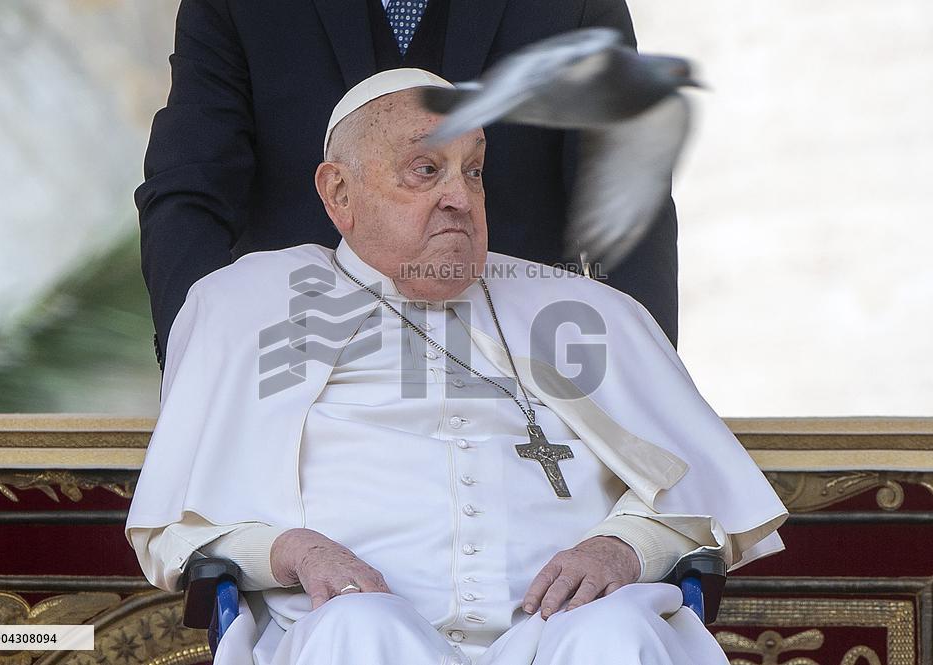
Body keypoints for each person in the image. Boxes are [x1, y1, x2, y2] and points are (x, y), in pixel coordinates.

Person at [126, 70, 786, 665]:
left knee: (611, 633)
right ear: (339, 193)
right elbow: (181, 532)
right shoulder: (248, 308)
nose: (460, 199)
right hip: (353, 630)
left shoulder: (589, 313)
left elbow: (699, 502)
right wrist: (298, 550)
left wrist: (621, 548)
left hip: (559, 634)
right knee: (354, 629)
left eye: (472, 170)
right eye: (425, 169)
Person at [135, 0, 681, 371]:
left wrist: (642, 383)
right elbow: (189, 185)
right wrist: (202, 359)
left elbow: (628, 196)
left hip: (518, 370)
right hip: (303, 367)